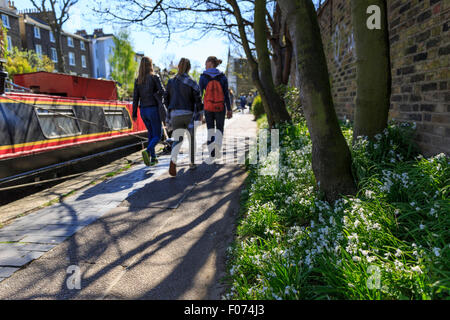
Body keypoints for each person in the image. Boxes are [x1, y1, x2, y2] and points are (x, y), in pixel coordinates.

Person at [165, 57, 203, 177]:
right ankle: (192, 163)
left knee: (177, 139)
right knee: (192, 138)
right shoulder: (192, 82)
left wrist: (171, 109)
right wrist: (200, 113)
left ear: (178, 67)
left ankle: (173, 160)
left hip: (175, 115)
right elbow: (198, 99)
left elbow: (165, 98)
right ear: (189, 68)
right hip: (189, 114)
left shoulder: (171, 82)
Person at [133, 56, 166, 166]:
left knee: (151, 135)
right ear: (150, 65)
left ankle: (153, 158)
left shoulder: (138, 80)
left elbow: (135, 98)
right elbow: (162, 91)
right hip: (153, 109)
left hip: (143, 111)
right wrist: (156, 95)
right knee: (158, 135)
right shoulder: (154, 77)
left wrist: (134, 114)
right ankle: (147, 151)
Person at [199, 56, 232, 160]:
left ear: (210, 63)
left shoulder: (203, 77)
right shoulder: (222, 77)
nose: (205, 65)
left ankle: (211, 150)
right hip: (220, 107)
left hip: (208, 107)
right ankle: (217, 148)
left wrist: (199, 110)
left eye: (206, 62)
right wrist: (229, 109)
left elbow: (200, 95)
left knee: (210, 129)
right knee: (219, 129)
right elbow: (226, 94)